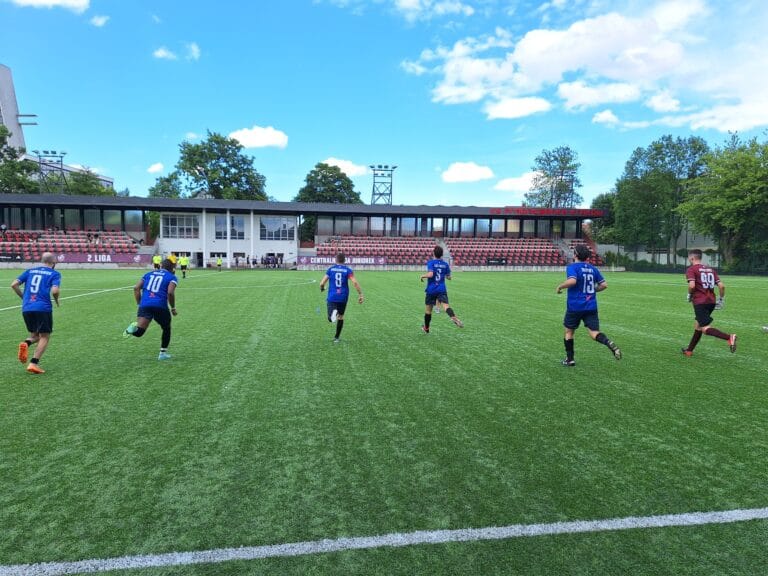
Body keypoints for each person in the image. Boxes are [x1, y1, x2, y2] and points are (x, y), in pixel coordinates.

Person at [556, 244, 621, 366]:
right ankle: (607, 342)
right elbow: (604, 285)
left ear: (575, 255)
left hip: (575, 306)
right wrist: (592, 290)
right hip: (591, 306)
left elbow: (572, 281)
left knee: (569, 332)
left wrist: (560, 286)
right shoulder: (593, 269)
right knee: (594, 332)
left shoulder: (573, 267)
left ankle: (570, 359)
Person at [11, 252, 61, 374]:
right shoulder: (54, 274)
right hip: (42, 308)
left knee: (35, 336)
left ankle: (26, 343)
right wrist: (56, 300)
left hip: (27, 307)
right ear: (53, 263)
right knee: (45, 336)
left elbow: (14, 284)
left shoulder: (30, 271)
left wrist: (24, 298)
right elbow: (55, 291)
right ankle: (33, 363)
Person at [681, 249, 737, 356]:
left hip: (700, 302)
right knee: (698, 325)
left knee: (705, 328)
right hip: (711, 301)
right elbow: (721, 286)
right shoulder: (710, 270)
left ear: (692, 258)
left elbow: (692, 285)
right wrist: (721, 300)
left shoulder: (691, 269)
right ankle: (689, 350)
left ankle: (729, 337)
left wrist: (689, 295)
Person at [124, 258, 178, 360]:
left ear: (161, 266)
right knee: (166, 328)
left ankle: (131, 330)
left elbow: (136, 288)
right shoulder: (172, 277)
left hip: (145, 305)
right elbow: (170, 293)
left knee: (139, 332)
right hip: (160, 306)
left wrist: (140, 304)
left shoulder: (148, 274)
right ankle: (162, 354)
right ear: (172, 269)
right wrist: (173, 308)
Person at [319, 253, 364, 343]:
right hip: (343, 297)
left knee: (330, 318)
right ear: (345, 260)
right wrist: (361, 294)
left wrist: (322, 288)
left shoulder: (331, 269)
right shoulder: (348, 270)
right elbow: (355, 283)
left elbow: (322, 283)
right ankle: (337, 337)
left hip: (332, 297)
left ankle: (333, 314)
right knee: (341, 316)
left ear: (336, 260)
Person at [419, 245, 463, 333]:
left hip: (431, 290)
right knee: (446, 306)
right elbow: (449, 277)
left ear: (433, 253)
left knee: (428, 311)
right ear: (442, 254)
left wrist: (422, 276)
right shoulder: (445, 264)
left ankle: (426, 328)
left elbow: (431, 274)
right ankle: (453, 317)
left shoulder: (431, 262)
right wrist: (446, 276)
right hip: (441, 289)